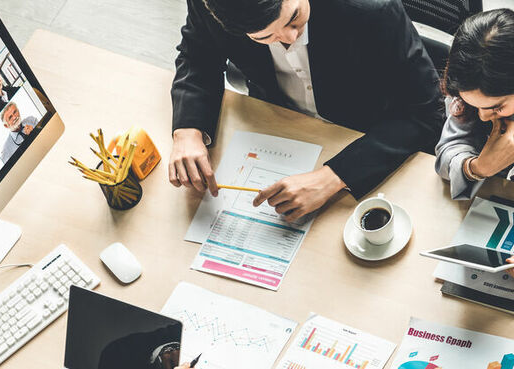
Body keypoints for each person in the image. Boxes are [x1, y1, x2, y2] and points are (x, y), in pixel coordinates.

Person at [169, 0, 443, 222]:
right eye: (266, 36)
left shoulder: (372, 9)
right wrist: (188, 131)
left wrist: (331, 178)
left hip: (362, 135)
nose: (290, 37)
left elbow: (425, 110)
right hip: (275, 123)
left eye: (294, 16)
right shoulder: (212, 6)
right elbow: (197, 54)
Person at [434, 9, 514, 276]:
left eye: (496, 107)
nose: (481, 116)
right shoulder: (471, 91)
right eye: (473, 105)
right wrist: (477, 167)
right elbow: (447, 152)